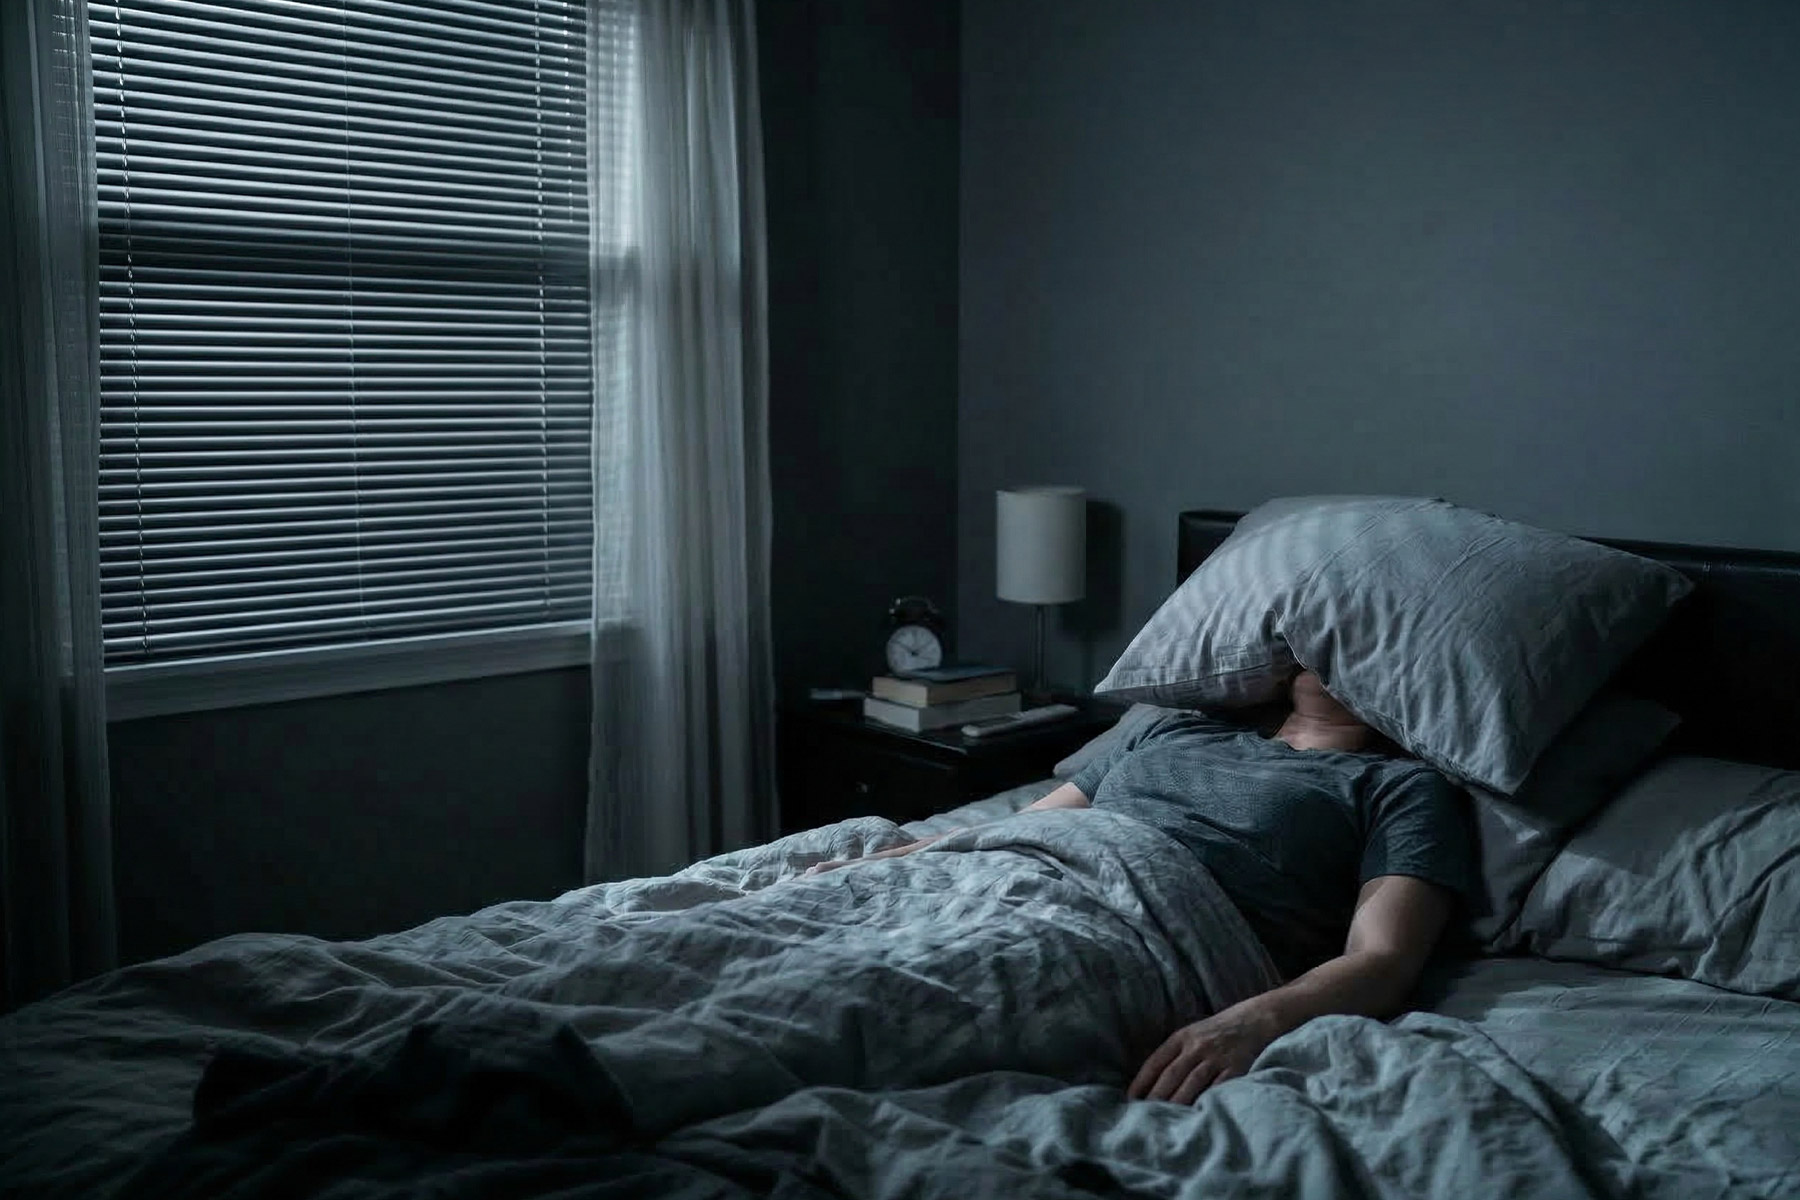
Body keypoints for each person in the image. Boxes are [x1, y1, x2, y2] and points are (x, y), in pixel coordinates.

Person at [805, 670, 1475, 1107]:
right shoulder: (1171, 726)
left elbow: (1383, 958)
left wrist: (1256, 1020)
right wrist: (897, 862)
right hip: (1015, 874)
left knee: (850, 1011)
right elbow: (1028, 826)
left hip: (1146, 932)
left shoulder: (1399, 788)